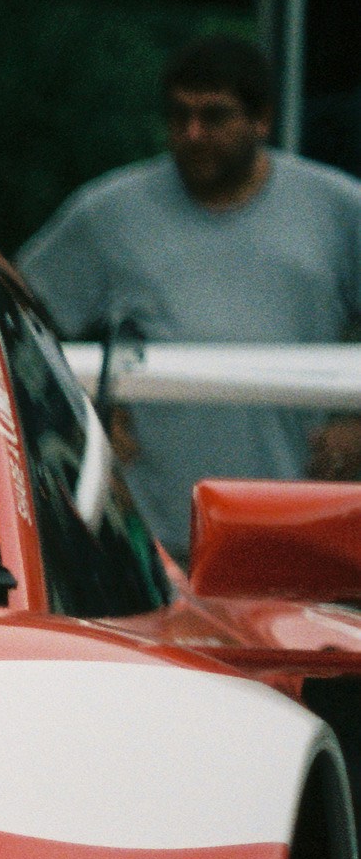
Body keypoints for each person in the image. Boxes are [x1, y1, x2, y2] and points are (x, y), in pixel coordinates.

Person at [21, 32, 361, 544]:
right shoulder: (111, 213)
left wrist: (355, 420)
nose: (193, 133)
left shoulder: (337, 208)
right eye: (178, 116)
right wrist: (82, 419)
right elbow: (14, 318)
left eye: (215, 116)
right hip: (149, 542)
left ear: (262, 119)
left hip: (302, 534)